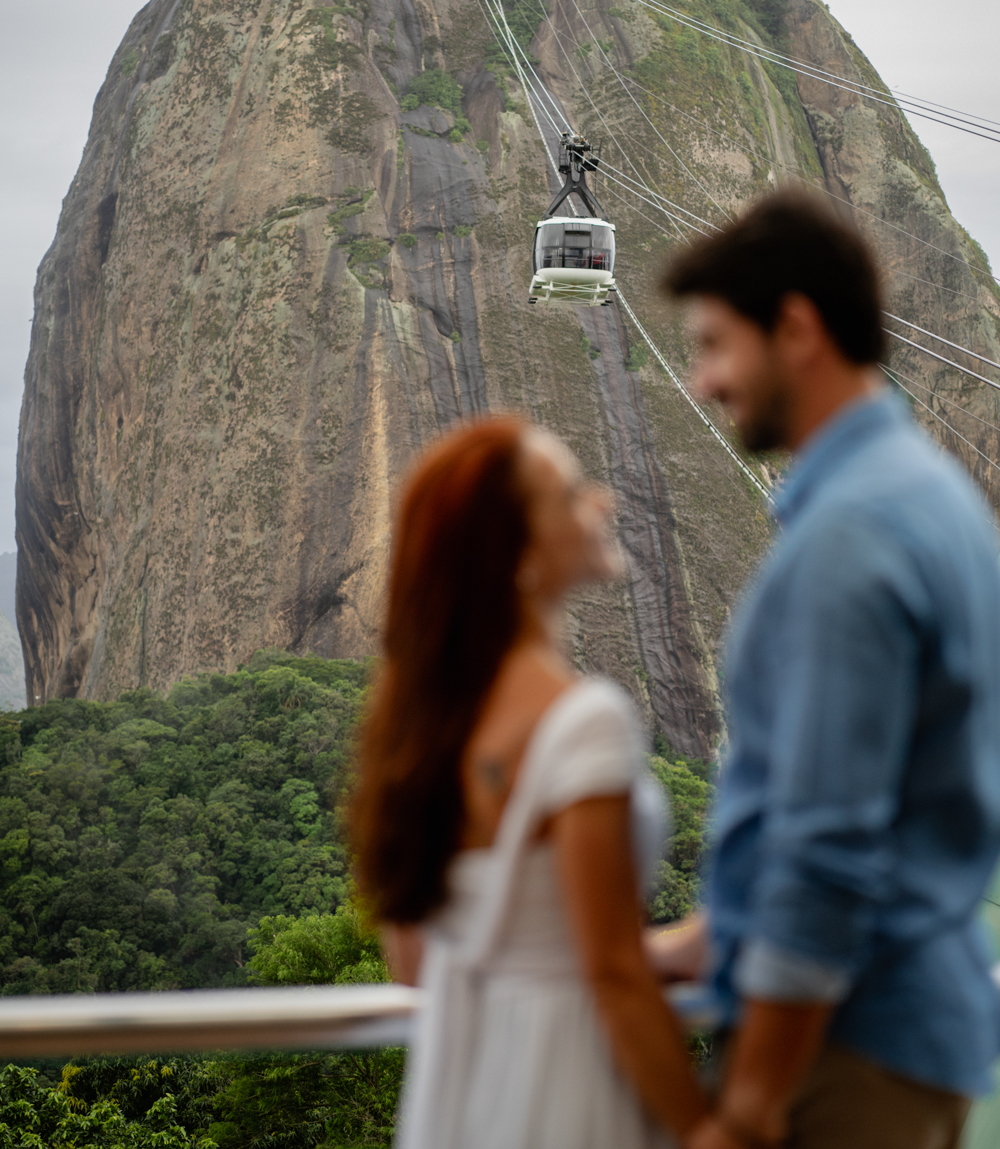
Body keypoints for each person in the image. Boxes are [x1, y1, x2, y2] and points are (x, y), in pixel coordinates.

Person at [648, 189, 1000, 1149]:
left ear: (796, 328)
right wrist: (697, 944)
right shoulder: (931, 495)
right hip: (915, 1028)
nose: (702, 381)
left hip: (840, 1054)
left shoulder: (852, 538)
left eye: (716, 343)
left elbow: (832, 845)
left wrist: (757, 1094)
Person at [350, 416, 708, 1149]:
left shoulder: (421, 728)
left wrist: (662, 951)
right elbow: (609, 975)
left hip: (463, 1087)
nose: (601, 502)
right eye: (573, 494)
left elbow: (416, 962)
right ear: (517, 555)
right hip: (572, 1086)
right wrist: (711, 1131)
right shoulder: (582, 723)